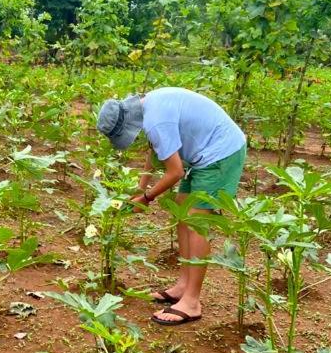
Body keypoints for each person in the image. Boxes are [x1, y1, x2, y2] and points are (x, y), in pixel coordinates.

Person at [96, 88, 247, 326]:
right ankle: (183, 286)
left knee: (197, 219)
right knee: (182, 210)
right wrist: (139, 189)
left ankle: (192, 301)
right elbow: (154, 149)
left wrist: (146, 198)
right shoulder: (148, 108)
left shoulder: (156, 120)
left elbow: (174, 172)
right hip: (202, 155)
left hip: (220, 152)